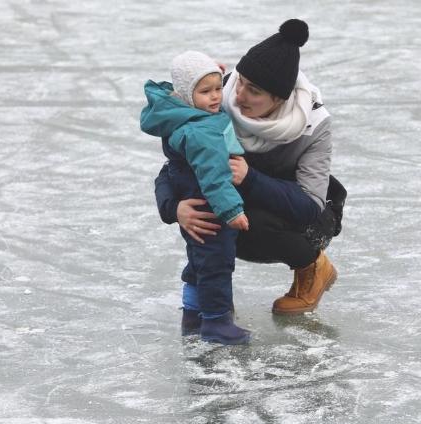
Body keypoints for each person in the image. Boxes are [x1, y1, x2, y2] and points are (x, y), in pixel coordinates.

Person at [154, 19, 347, 320]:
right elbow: (173, 168)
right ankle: (213, 298)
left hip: (304, 216)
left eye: (253, 91)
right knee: (205, 211)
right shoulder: (218, 97)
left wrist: (250, 178)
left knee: (250, 223)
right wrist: (174, 208)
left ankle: (313, 266)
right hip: (240, 202)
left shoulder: (314, 125)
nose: (238, 95)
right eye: (240, 80)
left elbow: (310, 206)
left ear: (279, 100)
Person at [140, 50, 251, 345]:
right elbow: (215, 177)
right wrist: (232, 211)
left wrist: (210, 73)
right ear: (188, 95)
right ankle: (216, 322)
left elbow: (194, 86)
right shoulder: (202, 131)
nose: (216, 97)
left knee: (198, 264)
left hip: (194, 202)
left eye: (218, 89)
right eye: (206, 92)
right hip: (210, 210)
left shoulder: (184, 112)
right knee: (216, 264)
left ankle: (192, 315)